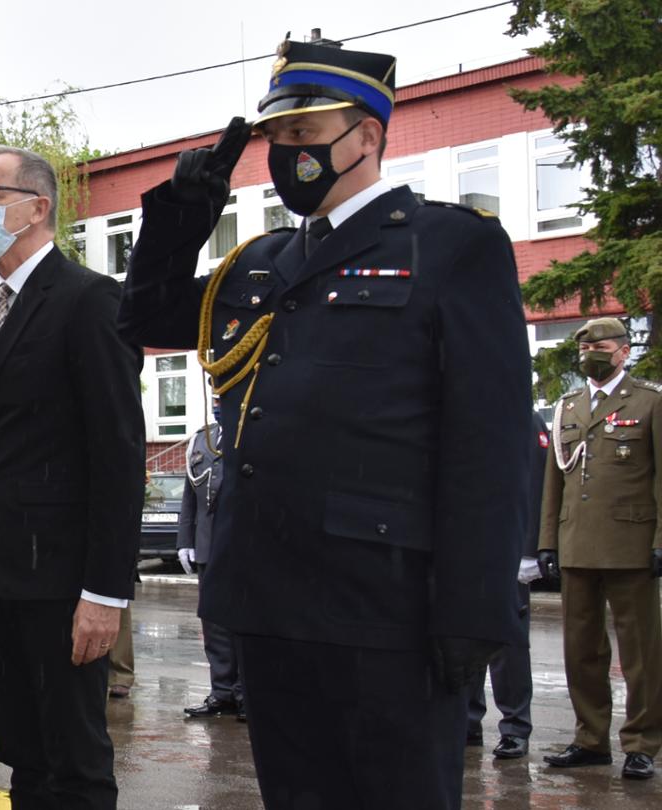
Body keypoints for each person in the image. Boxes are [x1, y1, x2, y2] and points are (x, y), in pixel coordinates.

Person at [115, 38, 532, 809]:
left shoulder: (449, 247)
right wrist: (183, 215)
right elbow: (143, 318)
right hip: (269, 599)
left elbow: (491, 447)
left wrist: (474, 610)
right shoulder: (259, 261)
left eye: (307, 135)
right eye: (279, 139)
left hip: (386, 608)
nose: (289, 155)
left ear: (367, 135)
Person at [0, 145, 145, 808]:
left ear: (38, 207)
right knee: (24, 757)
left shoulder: (90, 301)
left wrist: (105, 593)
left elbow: (118, 453)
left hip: (63, 581)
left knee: (76, 760)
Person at [538, 317, 662, 780]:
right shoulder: (568, 406)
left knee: (641, 653)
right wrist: (547, 541)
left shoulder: (650, 401)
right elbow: (555, 481)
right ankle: (591, 739)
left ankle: (642, 743)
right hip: (576, 543)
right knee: (580, 651)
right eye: (585, 348)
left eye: (601, 346)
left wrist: (660, 540)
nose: (591, 354)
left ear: (623, 352)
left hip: (631, 543)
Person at [467, 414, 546, 760]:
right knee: (464, 632)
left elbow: (537, 485)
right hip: (466, 543)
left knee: (508, 641)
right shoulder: (462, 411)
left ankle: (515, 726)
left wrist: (528, 550)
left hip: (507, 546)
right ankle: (468, 720)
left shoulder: (524, 417)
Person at [177, 415, 243, 720]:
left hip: (242, 545)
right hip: (207, 545)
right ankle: (222, 692)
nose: (217, 399)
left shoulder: (249, 430)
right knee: (213, 623)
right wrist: (185, 541)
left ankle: (245, 693)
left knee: (242, 623)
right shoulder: (200, 438)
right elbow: (190, 495)